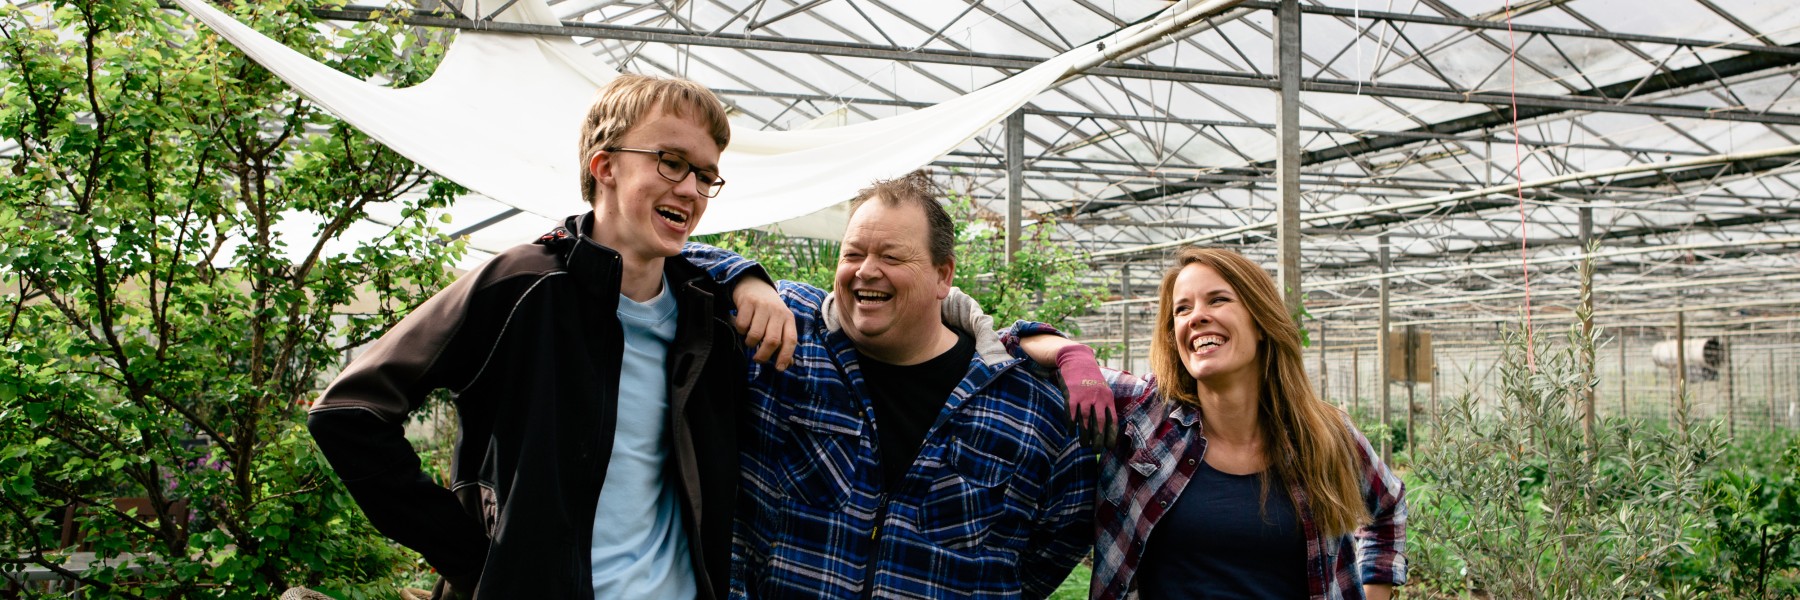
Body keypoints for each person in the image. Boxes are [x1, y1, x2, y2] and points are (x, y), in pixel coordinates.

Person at [308, 74, 790, 599]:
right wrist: (473, 561)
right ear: (604, 166)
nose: (690, 189)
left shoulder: (712, 316)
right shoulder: (522, 288)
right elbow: (349, 413)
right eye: (671, 161)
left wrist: (749, 277)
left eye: (705, 176)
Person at [688, 170, 1096, 599]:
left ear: (943, 276)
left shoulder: (1026, 406)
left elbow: (1061, 535)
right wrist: (745, 279)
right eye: (853, 254)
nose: (866, 271)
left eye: (892, 257)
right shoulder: (788, 338)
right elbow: (657, 256)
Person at [1006, 246, 1406, 600]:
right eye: (1182, 309)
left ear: (1261, 321)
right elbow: (1006, 344)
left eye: (1217, 300)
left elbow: (1388, 505)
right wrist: (1072, 355)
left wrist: (1375, 588)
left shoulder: (1323, 434)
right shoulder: (1143, 414)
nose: (1197, 317)